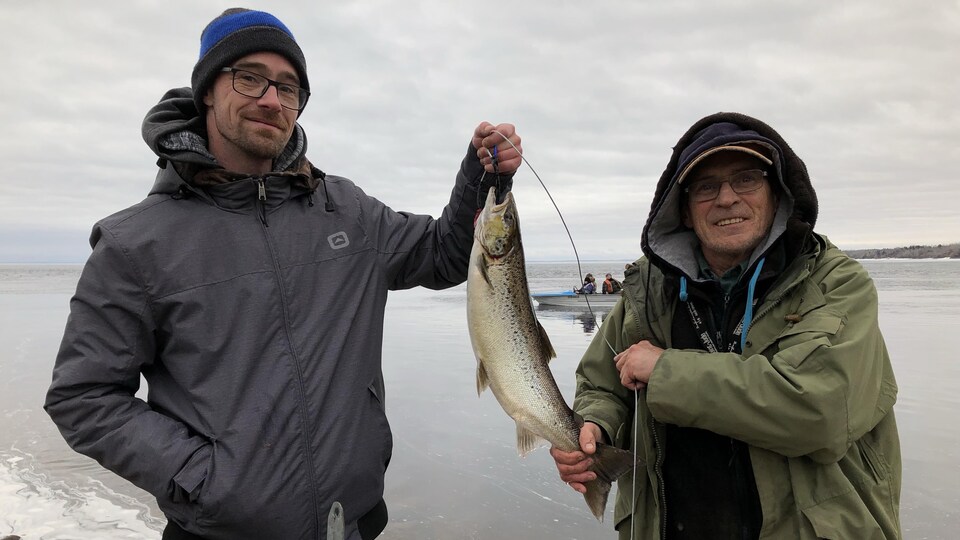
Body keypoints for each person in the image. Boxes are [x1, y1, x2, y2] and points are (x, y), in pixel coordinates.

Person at [44, 8, 522, 540]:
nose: (272, 99)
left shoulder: (348, 211)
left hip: (355, 524)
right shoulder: (134, 244)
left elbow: (443, 254)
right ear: (206, 89)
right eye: (249, 77)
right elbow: (82, 397)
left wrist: (481, 176)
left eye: (289, 87)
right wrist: (205, 480)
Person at [550, 113, 901, 539]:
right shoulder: (646, 289)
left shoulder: (837, 284)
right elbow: (603, 385)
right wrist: (593, 428)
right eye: (706, 187)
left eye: (746, 179)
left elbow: (820, 412)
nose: (727, 198)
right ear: (681, 209)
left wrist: (665, 371)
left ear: (777, 194)